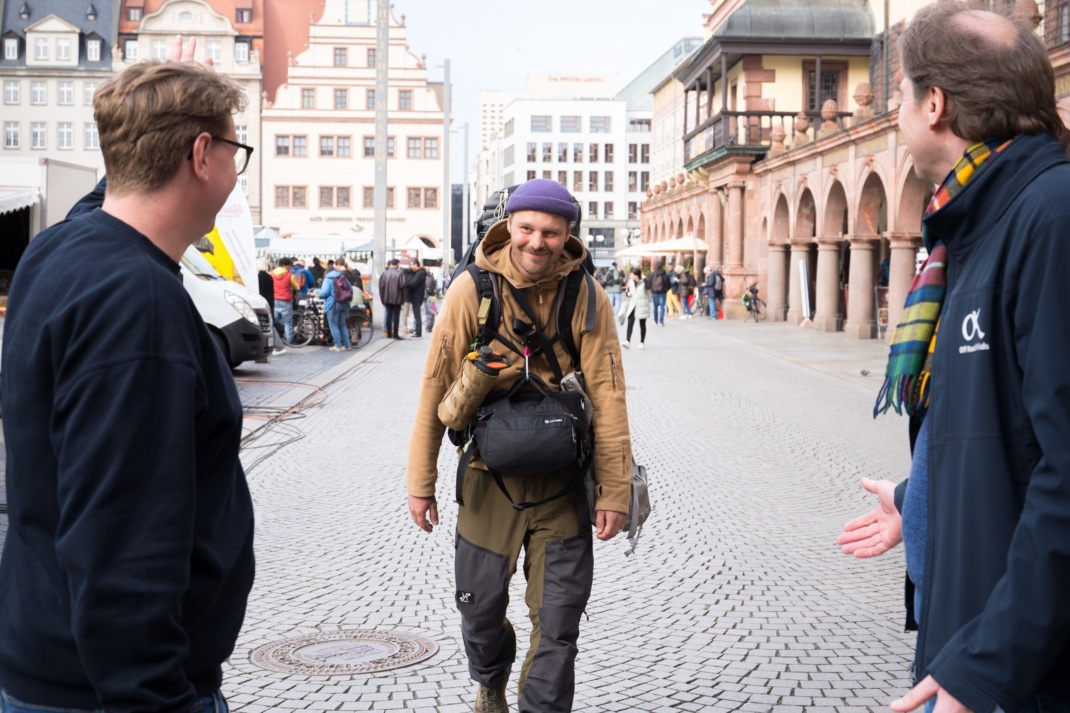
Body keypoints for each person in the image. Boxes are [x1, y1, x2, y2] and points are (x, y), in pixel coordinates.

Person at [0, 39, 254, 712]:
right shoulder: (136, 302)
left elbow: (112, 193)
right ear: (201, 156)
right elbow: (123, 543)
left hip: (47, 659)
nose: (236, 171)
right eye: (236, 152)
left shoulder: (59, 247)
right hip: (108, 693)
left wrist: (149, 108)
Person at [837, 5, 1070, 713]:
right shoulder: (974, 224)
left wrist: (988, 663)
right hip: (971, 629)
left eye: (900, 92)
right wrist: (923, 499)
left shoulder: (1049, 216)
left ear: (933, 104)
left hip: (1018, 667)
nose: (897, 112)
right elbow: (1005, 426)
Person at [405, 179, 632, 713]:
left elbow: (610, 395)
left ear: (568, 235)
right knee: (479, 611)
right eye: (527, 228)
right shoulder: (471, 290)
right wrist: (421, 483)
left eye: (551, 232)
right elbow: (434, 388)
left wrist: (615, 491)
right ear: (509, 225)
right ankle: (490, 681)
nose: (537, 242)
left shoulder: (587, 296)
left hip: (563, 484)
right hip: (487, 478)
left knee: (558, 622)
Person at [318, 255, 352, 351]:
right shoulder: (342, 277)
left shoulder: (328, 279)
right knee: (342, 324)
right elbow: (351, 290)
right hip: (345, 303)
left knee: (334, 325)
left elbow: (324, 292)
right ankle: (347, 345)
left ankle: (337, 345)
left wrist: (317, 292)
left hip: (333, 304)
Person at [258, 256, 286, 354]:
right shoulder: (269, 277)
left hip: (262, 303)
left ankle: (279, 346)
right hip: (270, 302)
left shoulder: (258, 277)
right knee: (270, 324)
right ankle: (276, 346)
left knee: (268, 326)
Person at [620, 267, 651, 350]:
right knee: (630, 323)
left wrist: (644, 277)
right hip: (632, 305)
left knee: (642, 324)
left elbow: (649, 286)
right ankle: (627, 341)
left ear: (637, 275)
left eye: (632, 274)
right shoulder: (630, 282)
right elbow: (627, 291)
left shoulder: (644, 282)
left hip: (642, 305)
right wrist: (628, 293)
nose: (630, 275)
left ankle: (642, 342)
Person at [272, 256, 299, 343]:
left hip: (275, 300)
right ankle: (289, 341)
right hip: (286, 301)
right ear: (285, 266)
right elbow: (296, 287)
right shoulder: (289, 275)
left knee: (275, 322)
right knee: (287, 322)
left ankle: (276, 340)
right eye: (289, 266)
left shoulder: (271, 274)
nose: (289, 268)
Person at [379, 258, 406, 339]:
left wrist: (382, 298)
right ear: (397, 264)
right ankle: (395, 334)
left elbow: (381, 286)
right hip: (397, 298)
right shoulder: (399, 273)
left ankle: (389, 334)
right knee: (396, 316)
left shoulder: (385, 273)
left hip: (387, 298)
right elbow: (402, 284)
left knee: (388, 315)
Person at [405, 258, 428, 338]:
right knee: (416, 314)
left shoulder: (420, 273)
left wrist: (406, 283)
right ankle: (417, 332)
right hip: (416, 296)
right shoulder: (418, 273)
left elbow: (413, 283)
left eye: (411, 265)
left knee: (417, 315)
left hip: (417, 297)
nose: (410, 267)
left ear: (416, 264)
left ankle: (418, 332)